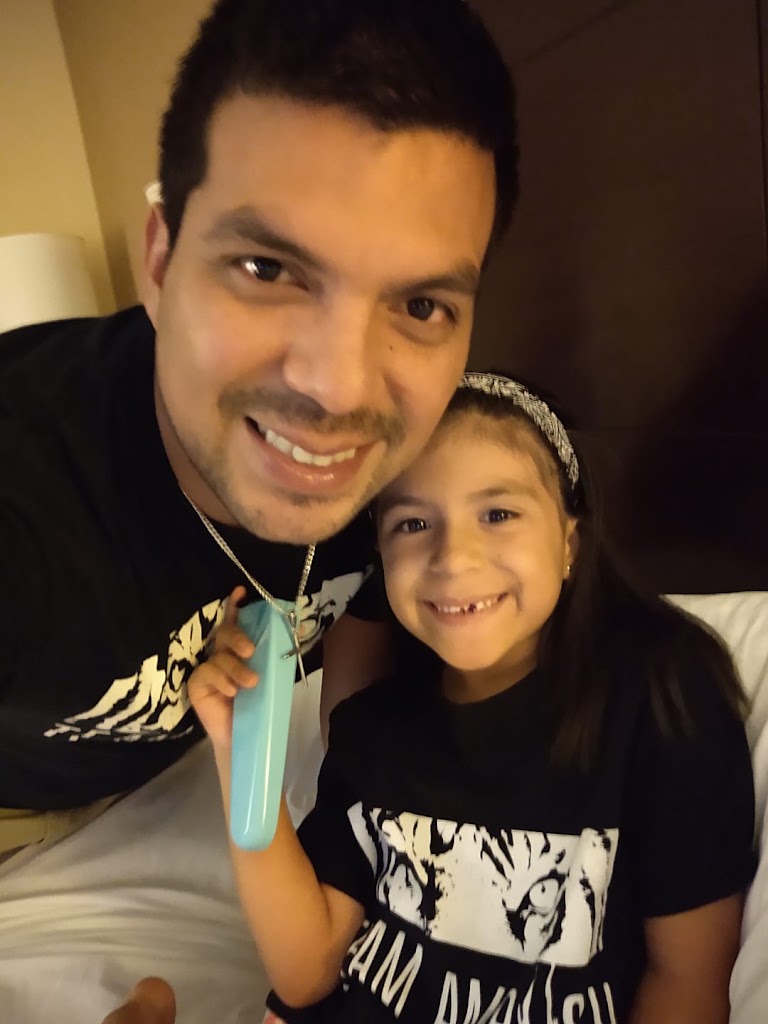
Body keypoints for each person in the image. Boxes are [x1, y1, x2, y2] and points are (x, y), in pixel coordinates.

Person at [0, 0, 517, 857]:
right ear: (159, 261)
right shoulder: (27, 493)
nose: (339, 389)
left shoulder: (432, 466)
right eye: (267, 268)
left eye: (422, 305)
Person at [186, 371, 755, 1023]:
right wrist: (237, 748)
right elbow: (306, 974)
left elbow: (687, 978)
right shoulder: (375, 727)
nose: (453, 557)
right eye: (412, 523)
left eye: (498, 514)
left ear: (569, 543)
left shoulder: (663, 699)